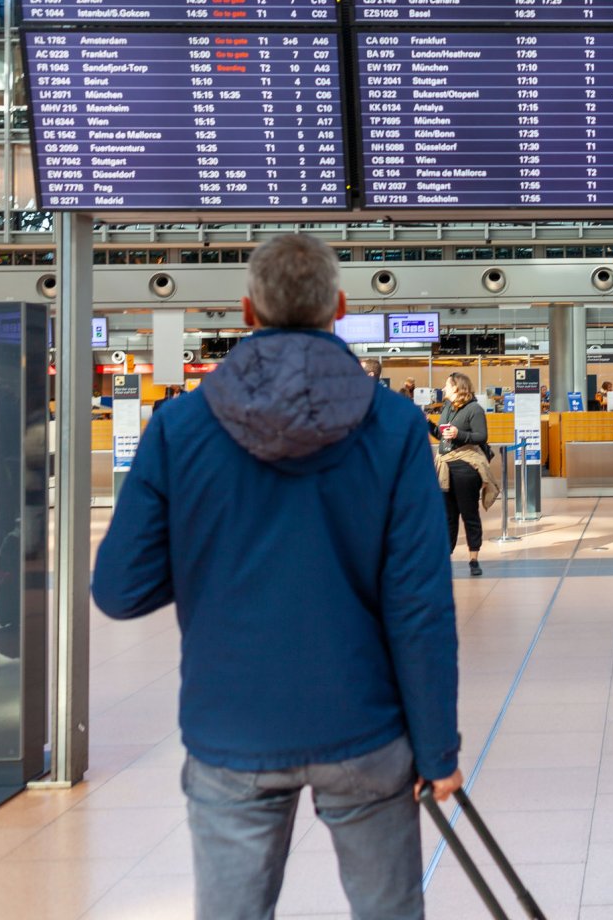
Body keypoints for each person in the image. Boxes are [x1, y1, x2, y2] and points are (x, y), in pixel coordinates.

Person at [91, 233, 460, 920]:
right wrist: (438, 750)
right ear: (340, 307)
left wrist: (213, 552)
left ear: (246, 312)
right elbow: (419, 605)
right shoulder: (397, 426)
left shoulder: (179, 426)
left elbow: (119, 588)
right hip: (366, 729)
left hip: (233, 727)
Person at [433, 372, 493, 577]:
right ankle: (444, 558)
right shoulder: (447, 408)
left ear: (458, 388)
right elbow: (442, 434)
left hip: (466, 467)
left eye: (447, 385)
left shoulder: (474, 409)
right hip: (445, 466)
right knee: (447, 515)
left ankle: (474, 559)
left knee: (469, 513)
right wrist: (427, 424)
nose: (443, 388)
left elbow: (481, 436)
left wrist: (460, 434)